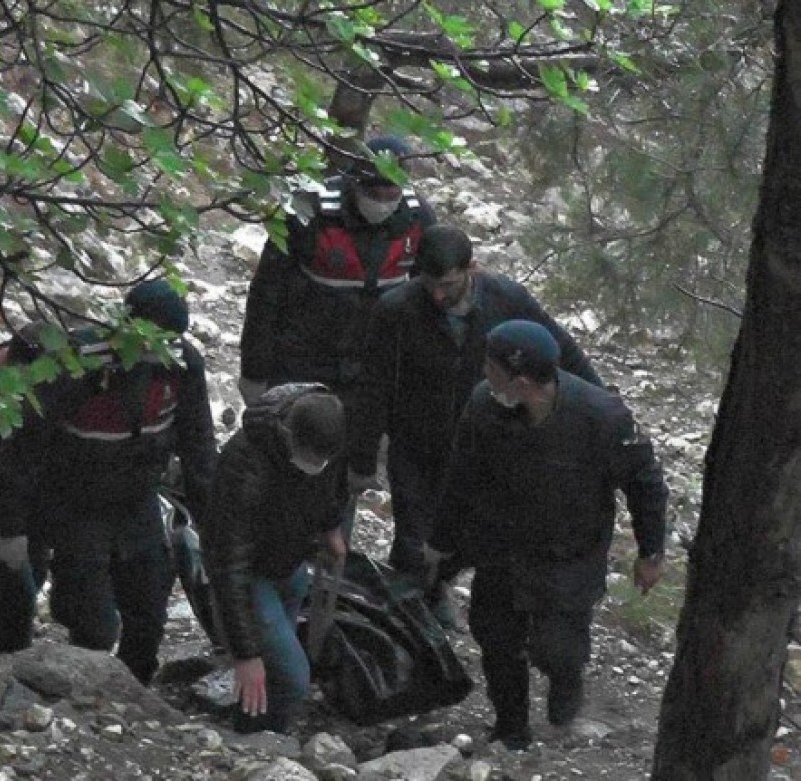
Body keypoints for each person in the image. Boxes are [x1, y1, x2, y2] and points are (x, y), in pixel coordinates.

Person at [428, 320, 668, 750]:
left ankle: (566, 683)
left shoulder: (603, 418)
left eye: (491, 366)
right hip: (502, 546)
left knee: (557, 649)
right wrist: (441, 543)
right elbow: (460, 478)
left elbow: (645, 482)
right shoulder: (484, 407)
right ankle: (511, 726)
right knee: (496, 639)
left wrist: (651, 551)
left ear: (520, 382)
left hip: (570, 553)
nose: (484, 373)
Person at [346, 225, 603, 621]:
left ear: (473, 269)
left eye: (447, 284)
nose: (437, 295)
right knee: (413, 535)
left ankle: (437, 589)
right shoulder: (396, 310)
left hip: (483, 442)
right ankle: (408, 614)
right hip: (415, 441)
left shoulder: (507, 299)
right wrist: (362, 460)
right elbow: (373, 386)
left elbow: (558, 348)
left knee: (467, 532)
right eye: (429, 283)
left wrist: (601, 405)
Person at [0, 279, 218, 683]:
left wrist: (214, 527)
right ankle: (78, 685)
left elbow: (199, 447)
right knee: (95, 622)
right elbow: (25, 447)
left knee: (148, 608)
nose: (161, 351)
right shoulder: (76, 361)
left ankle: (135, 691)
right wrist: (12, 529)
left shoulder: (182, 365)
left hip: (138, 498)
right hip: (74, 501)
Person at [238, 134, 436, 406]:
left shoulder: (418, 219)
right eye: (373, 193)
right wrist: (254, 371)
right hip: (302, 359)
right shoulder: (310, 211)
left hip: (373, 364)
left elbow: (427, 298)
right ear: (353, 183)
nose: (382, 202)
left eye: (391, 194)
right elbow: (266, 294)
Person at [202, 383, 347, 734]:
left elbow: (329, 485)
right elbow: (229, 566)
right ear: (288, 435)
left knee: (273, 670)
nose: (316, 467)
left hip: (290, 563)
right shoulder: (246, 465)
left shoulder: (326, 433)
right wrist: (245, 654)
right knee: (293, 678)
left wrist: (330, 528)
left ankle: (254, 725)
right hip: (252, 574)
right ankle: (263, 740)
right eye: (310, 459)